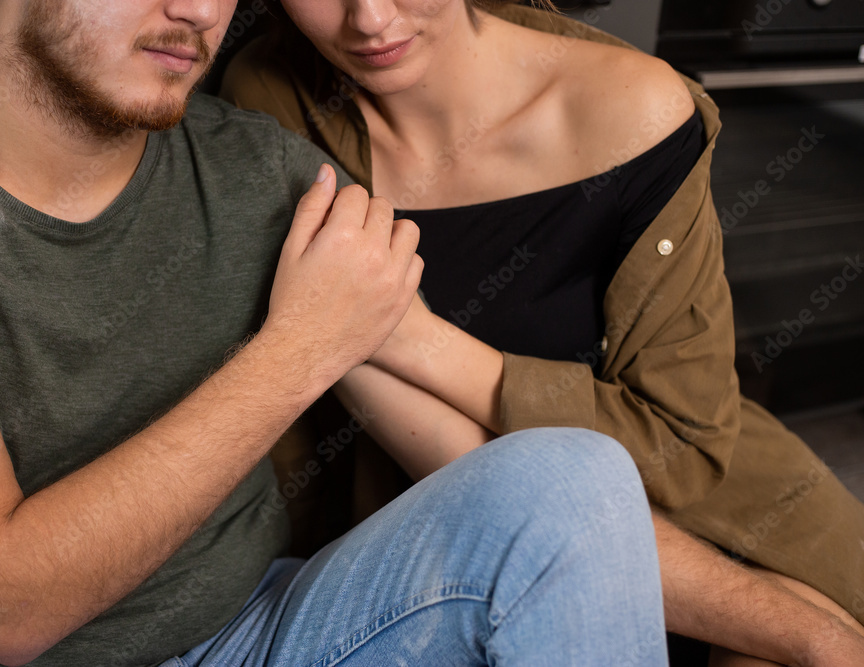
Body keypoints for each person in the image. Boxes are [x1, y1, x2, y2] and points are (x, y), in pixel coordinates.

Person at [0, 1, 673, 665]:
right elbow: (5, 608)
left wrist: (789, 624)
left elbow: (480, 461)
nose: (199, 12)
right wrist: (299, 348)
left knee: (573, 475)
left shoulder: (255, 169)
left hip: (261, 634)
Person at [219, 0, 864, 664]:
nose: (372, 20)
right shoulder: (271, 99)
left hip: (724, 526)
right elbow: (486, 482)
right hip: (474, 557)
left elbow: (683, 449)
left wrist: (415, 338)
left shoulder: (634, 106)